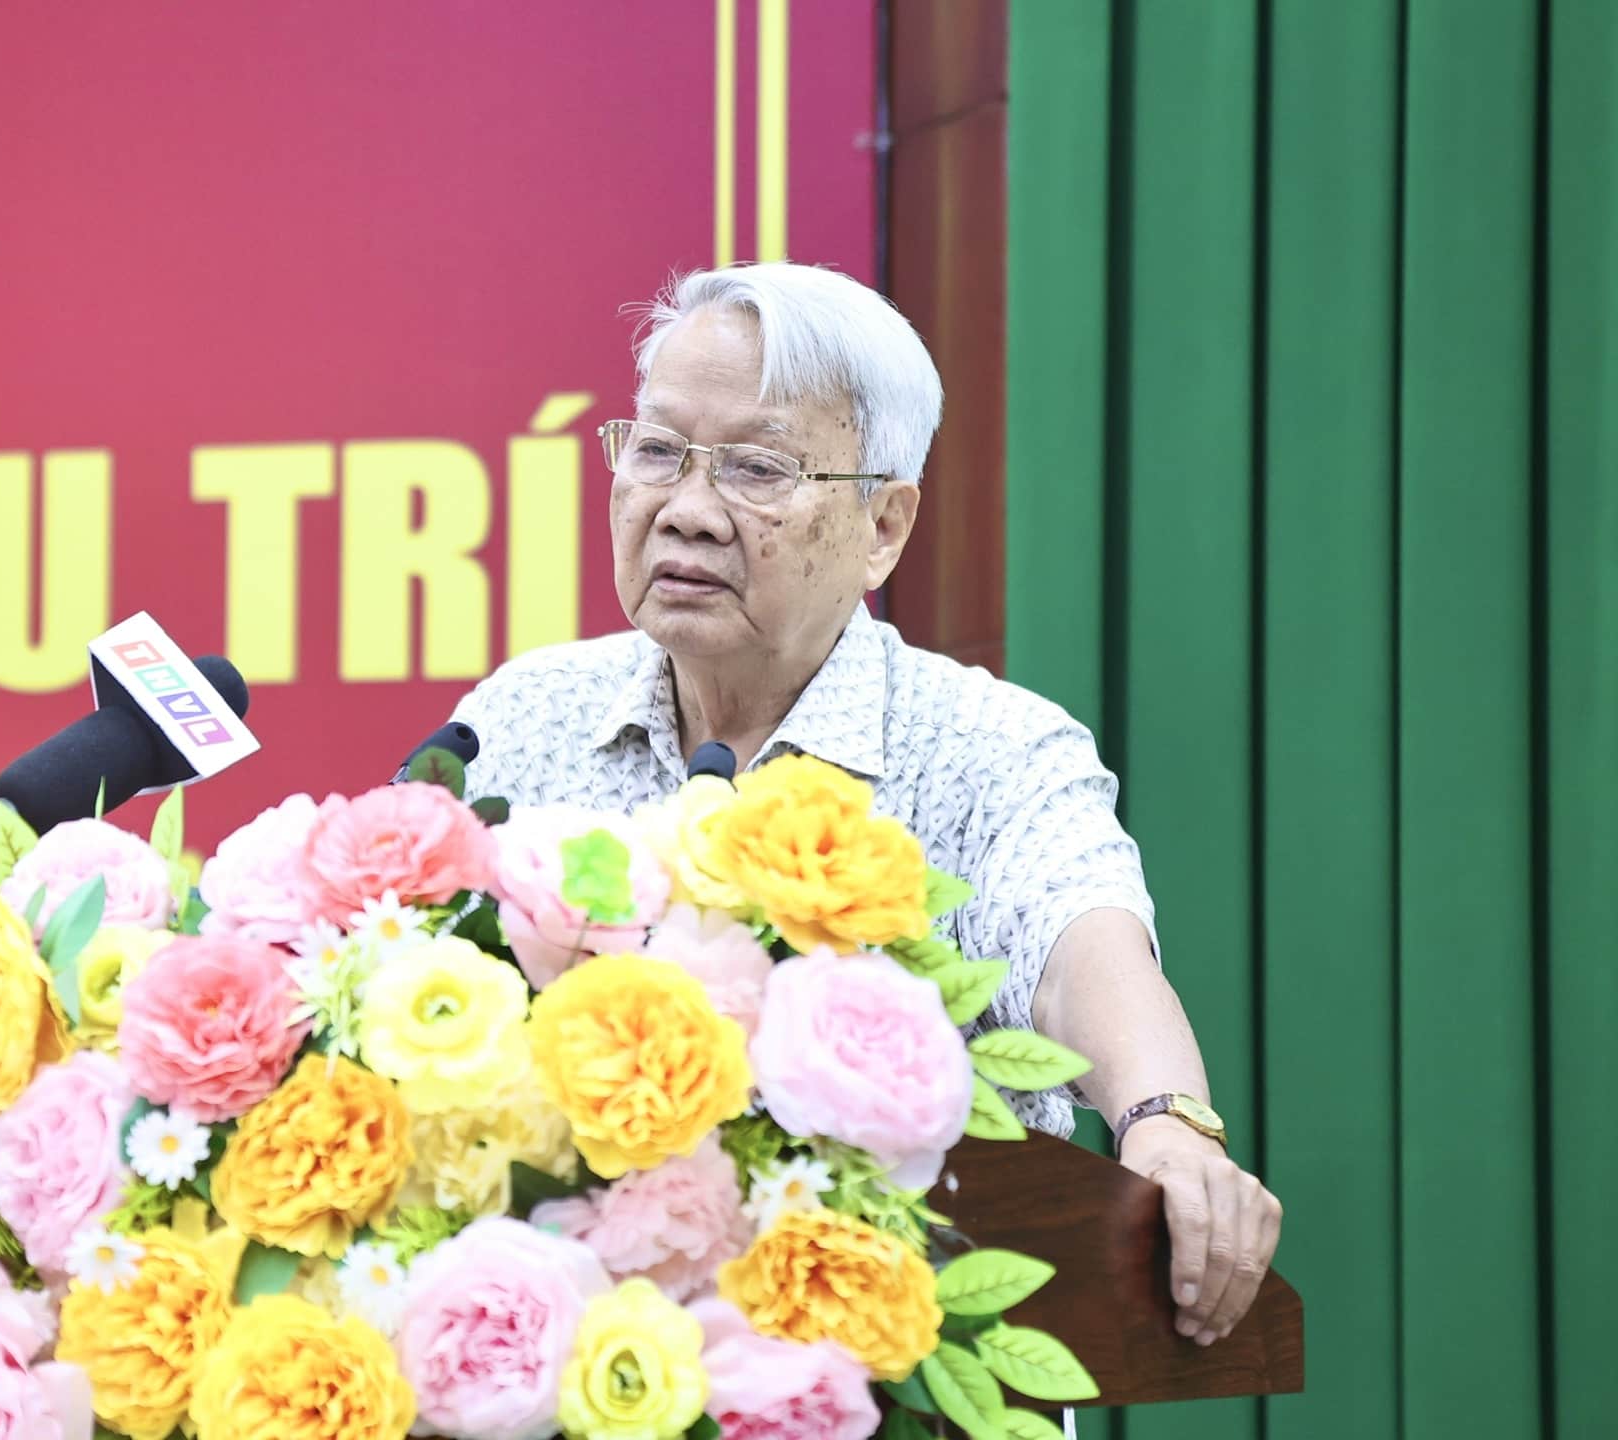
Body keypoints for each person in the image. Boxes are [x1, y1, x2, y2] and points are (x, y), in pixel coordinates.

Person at [451, 261, 1283, 1346]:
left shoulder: (987, 748)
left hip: (886, 1361)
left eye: (757, 469)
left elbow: (1079, 950)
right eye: (656, 451)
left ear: (884, 525)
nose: (687, 512)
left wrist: (1166, 1122)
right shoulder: (522, 718)